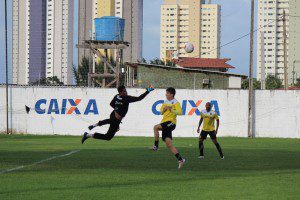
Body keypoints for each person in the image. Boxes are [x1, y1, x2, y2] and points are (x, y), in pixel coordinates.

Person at [81, 85, 154, 143]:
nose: (126, 92)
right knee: (109, 134)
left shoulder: (116, 96)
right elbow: (139, 98)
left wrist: (116, 109)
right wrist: (148, 91)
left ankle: (92, 129)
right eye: (125, 91)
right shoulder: (126, 98)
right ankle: (89, 133)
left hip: (113, 115)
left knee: (110, 127)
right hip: (115, 118)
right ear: (121, 92)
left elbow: (111, 104)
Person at [152, 87, 186, 169]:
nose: (166, 94)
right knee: (169, 144)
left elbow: (180, 112)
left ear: (171, 94)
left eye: (167, 93)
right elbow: (161, 112)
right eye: (166, 93)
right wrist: (164, 109)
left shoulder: (176, 103)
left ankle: (156, 146)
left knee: (155, 127)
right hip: (164, 123)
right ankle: (181, 160)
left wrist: (171, 110)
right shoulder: (166, 102)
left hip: (171, 123)